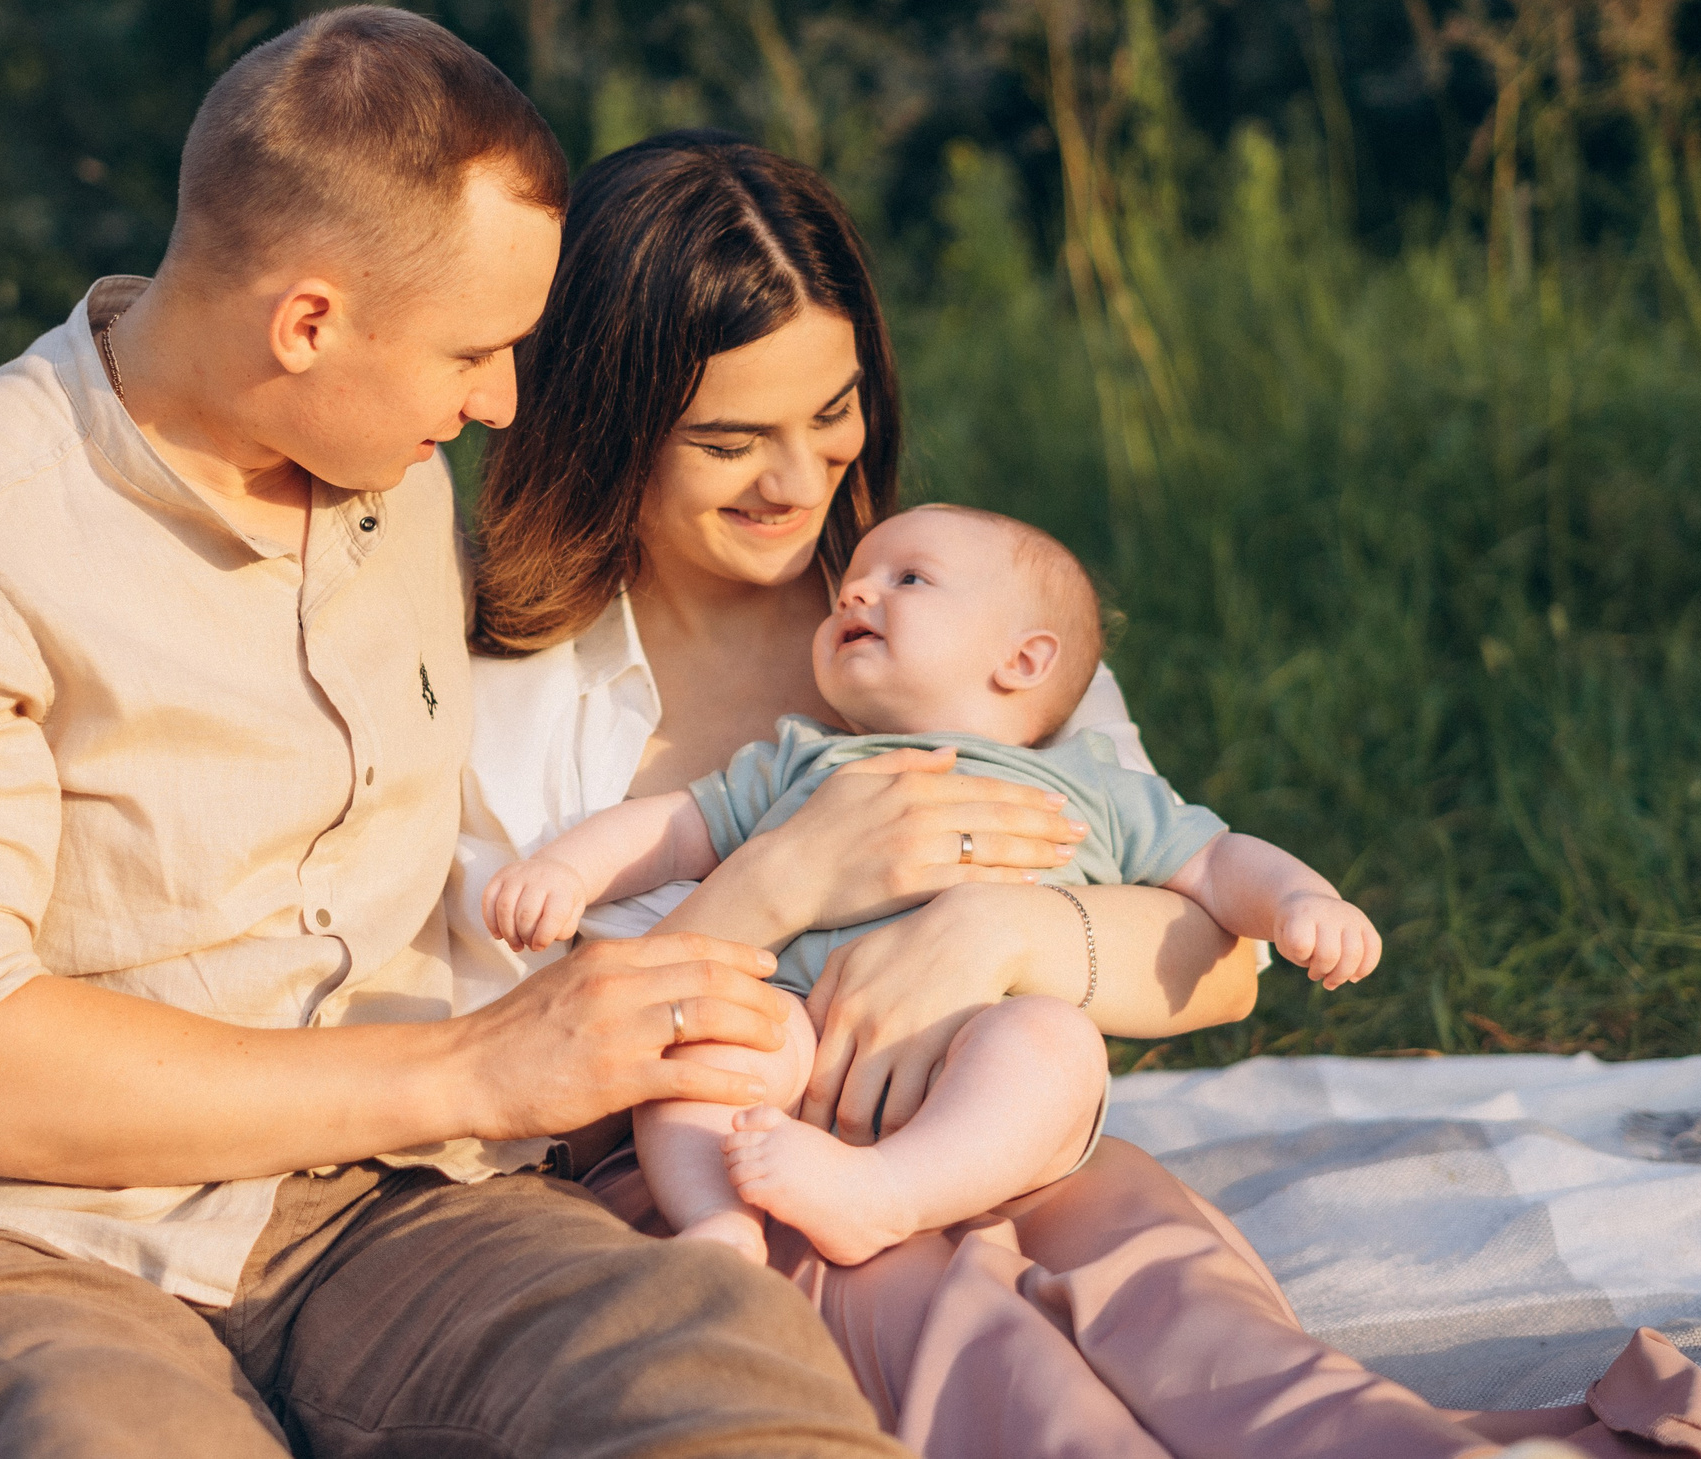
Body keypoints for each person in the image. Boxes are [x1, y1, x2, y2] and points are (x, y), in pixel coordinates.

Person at [0, 8, 947, 1458]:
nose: (504, 400)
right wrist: (475, 1067)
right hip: (27, 1242)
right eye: (475, 350)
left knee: (708, 1363)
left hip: (402, 1209)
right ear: (307, 322)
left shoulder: (393, 475)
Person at [452, 128, 1701, 1459]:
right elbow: (501, 1080)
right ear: (607, 423)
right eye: (729, 439)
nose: (799, 479)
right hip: (734, 1169)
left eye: (832, 414)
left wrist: (1005, 932)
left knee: (1189, 1307)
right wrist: (779, 883)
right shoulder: (513, 682)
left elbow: (1218, 963)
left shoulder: (965, 617)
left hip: (989, 1119)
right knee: (984, 1352)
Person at [481, 502, 1382, 1267]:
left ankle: (886, 1193)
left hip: (980, 1058)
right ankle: (719, 1220)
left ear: (1022, 660)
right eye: (853, 583)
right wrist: (568, 869)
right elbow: (678, 827)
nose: (855, 592)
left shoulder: (1088, 782)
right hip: (800, 1042)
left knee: (1055, 1044)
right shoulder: (805, 757)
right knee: (705, 1051)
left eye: (908, 579)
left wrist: (1303, 901)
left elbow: (1218, 863)